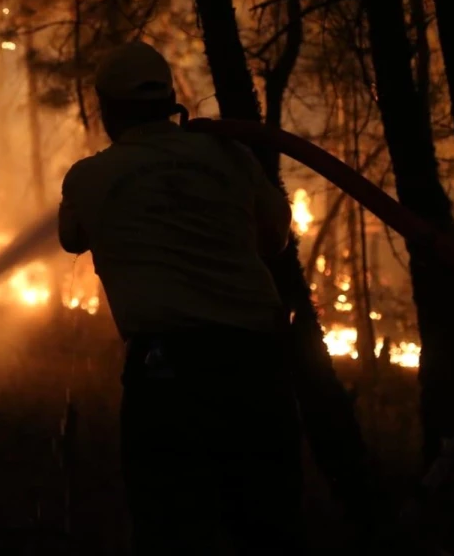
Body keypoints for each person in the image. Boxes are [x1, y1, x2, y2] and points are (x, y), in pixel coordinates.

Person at [58, 41, 302, 555]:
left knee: (171, 529)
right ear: (172, 99)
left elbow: (72, 236)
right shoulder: (229, 155)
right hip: (256, 367)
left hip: (168, 375)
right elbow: (275, 237)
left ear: (109, 109)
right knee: (267, 527)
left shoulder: (91, 177)